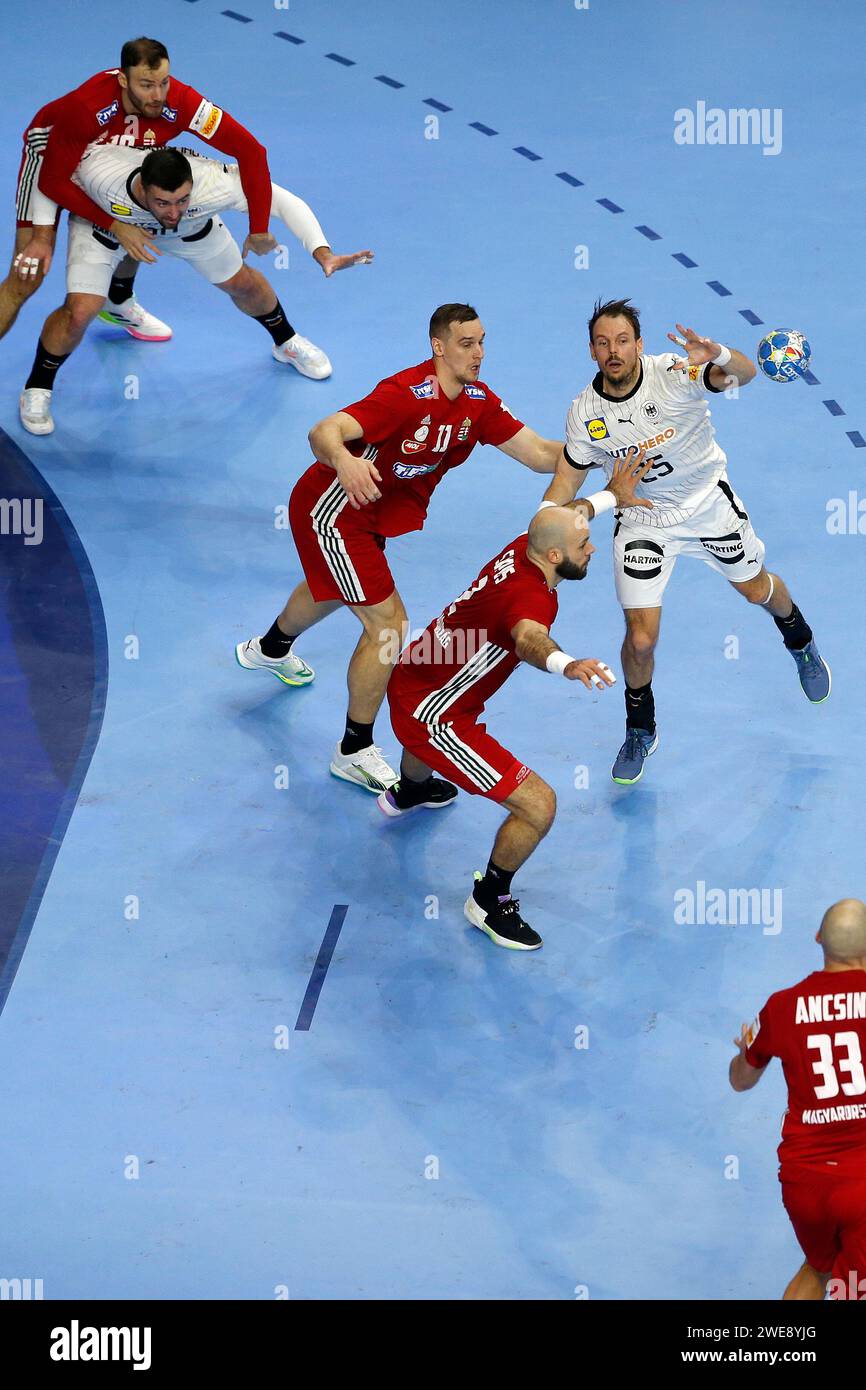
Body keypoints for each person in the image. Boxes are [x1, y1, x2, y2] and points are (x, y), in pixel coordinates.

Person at [237, 303, 570, 794]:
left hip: (369, 515)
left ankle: (270, 649)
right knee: (387, 625)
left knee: (335, 587)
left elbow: (543, 454)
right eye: (465, 344)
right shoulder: (404, 396)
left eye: (481, 342)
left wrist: (604, 449)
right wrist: (344, 463)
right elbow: (322, 431)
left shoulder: (477, 401)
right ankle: (353, 749)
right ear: (438, 347)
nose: (478, 353)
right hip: (334, 510)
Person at [541, 297, 831, 786]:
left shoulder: (674, 373)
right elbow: (564, 482)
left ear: (639, 344)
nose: (614, 350)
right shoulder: (584, 412)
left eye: (623, 340)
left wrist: (718, 353)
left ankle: (799, 639)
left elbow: (743, 375)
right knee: (640, 639)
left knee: (756, 589)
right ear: (591, 350)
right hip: (643, 519)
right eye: (603, 342)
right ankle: (640, 728)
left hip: (706, 503)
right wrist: (543, 523)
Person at [377, 453, 650, 950]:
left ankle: (411, 791)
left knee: (431, 724)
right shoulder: (529, 601)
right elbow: (528, 640)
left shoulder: (524, 546)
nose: (591, 549)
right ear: (552, 557)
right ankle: (488, 898)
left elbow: (569, 516)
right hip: (434, 713)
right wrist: (566, 663)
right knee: (538, 807)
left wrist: (613, 495)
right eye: (583, 546)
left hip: (416, 673)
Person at [19, 146, 371, 434]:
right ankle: (38, 386)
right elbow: (50, 181)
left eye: (181, 200)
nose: (173, 211)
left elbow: (283, 201)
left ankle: (286, 342)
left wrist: (322, 252)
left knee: (243, 284)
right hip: (108, 230)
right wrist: (41, 235)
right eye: (163, 203)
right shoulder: (100, 173)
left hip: (192, 233)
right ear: (141, 187)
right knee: (80, 310)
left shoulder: (211, 183)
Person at [0, 35, 274, 342]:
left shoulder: (182, 102)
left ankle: (117, 302)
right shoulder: (87, 107)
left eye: (164, 82)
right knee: (27, 275)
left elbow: (251, 152)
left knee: (141, 212)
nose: (158, 95)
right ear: (122, 79)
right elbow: (52, 181)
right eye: (146, 85)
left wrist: (259, 228)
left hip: (110, 162)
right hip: (53, 159)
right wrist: (106, 226)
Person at [730, 898, 866, 1301]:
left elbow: (741, 1082)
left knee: (820, 1271)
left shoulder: (781, 1006)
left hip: (803, 1184)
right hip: (860, 1186)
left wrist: (744, 1051)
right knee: (852, 1290)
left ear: (818, 938)